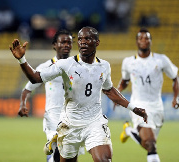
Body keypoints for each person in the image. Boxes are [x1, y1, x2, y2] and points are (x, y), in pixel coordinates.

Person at [9, 26, 147, 162]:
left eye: (87, 38)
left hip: (94, 122)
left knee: (104, 159)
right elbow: (35, 78)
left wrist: (133, 108)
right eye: (80, 39)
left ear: (97, 42)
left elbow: (109, 90)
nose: (83, 42)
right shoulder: (66, 64)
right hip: (70, 125)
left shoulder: (104, 66)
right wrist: (22, 60)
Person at [116, 28, 179, 162]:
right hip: (138, 105)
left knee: (148, 143)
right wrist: (118, 92)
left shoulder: (161, 60)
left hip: (157, 107)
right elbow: (125, 81)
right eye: (141, 38)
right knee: (150, 144)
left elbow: (175, 78)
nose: (144, 40)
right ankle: (132, 131)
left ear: (151, 41)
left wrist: (175, 97)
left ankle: (130, 131)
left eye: (147, 38)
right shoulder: (128, 62)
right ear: (137, 42)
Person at [18, 29, 73, 162]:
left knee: (69, 157)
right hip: (52, 116)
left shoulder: (77, 66)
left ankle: (51, 156)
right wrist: (22, 104)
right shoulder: (45, 67)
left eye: (69, 42)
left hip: (72, 116)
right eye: (63, 42)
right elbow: (27, 89)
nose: (66, 45)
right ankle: (52, 150)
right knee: (59, 150)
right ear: (54, 45)